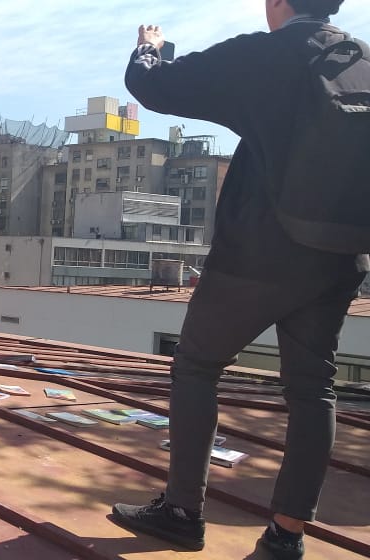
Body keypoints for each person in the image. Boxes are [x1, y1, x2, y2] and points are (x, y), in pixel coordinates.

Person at [110, 2, 366, 558]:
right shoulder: (360, 59)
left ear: (278, 2)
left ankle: (181, 512)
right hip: (339, 255)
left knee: (198, 365)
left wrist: (148, 45)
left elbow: (153, 88)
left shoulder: (265, 53)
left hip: (258, 253)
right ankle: (286, 536)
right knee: (312, 389)